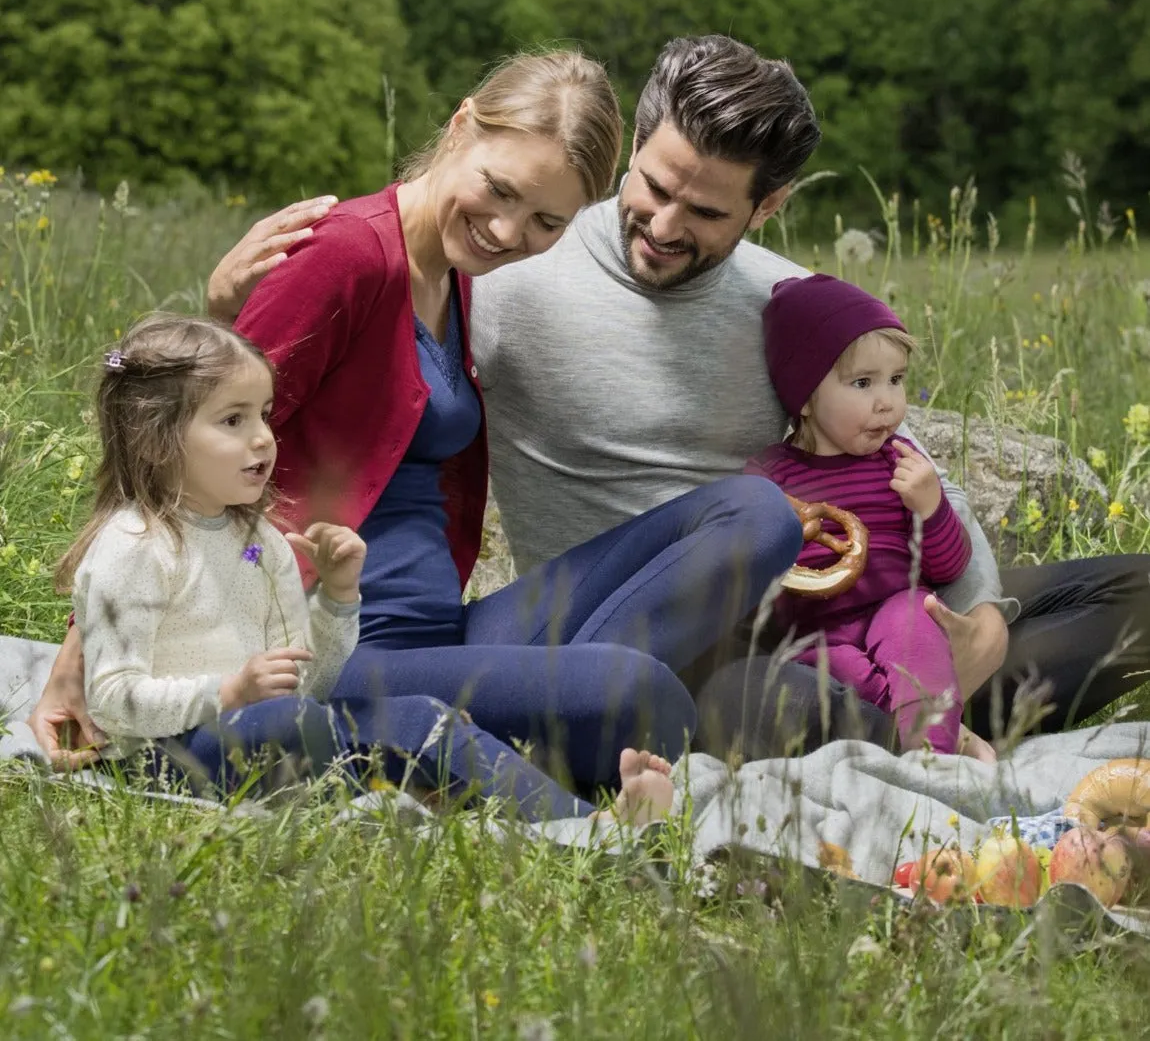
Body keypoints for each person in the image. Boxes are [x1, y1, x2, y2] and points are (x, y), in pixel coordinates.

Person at [30, 48, 803, 799]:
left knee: (758, 514)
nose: (507, 231)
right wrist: (85, 653)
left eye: (544, 221)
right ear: (462, 126)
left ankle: (529, 727)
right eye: (498, 191)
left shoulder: (458, 276)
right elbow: (177, 438)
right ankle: (523, 738)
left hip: (442, 635)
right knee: (643, 694)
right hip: (335, 646)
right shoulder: (346, 254)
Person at [55, 311, 675, 822]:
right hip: (171, 752)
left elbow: (313, 683)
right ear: (156, 439)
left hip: (281, 728)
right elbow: (111, 702)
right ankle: (408, 782)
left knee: (416, 714)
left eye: (265, 414)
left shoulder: (262, 541)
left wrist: (337, 599)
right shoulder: (134, 548)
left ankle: (581, 825)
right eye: (233, 420)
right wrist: (226, 692)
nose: (265, 437)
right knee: (292, 721)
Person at [744, 274, 995, 760]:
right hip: (812, 631)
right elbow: (754, 586)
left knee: (916, 633)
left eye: (896, 380)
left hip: (893, 606)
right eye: (863, 383)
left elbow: (947, 566)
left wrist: (932, 507)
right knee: (830, 675)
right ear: (807, 398)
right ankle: (937, 739)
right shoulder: (768, 477)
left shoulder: (898, 463)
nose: (887, 401)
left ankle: (934, 762)